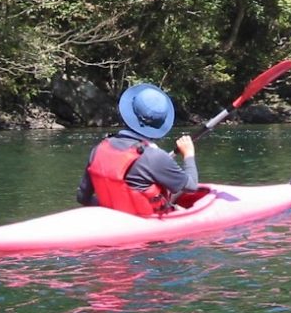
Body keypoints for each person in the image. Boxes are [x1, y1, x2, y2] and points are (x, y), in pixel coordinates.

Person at [76, 83, 199, 215]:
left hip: (111, 219)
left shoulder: (99, 148)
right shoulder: (155, 157)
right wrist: (188, 154)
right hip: (147, 223)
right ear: (160, 124)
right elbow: (191, 186)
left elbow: (82, 197)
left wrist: (108, 208)